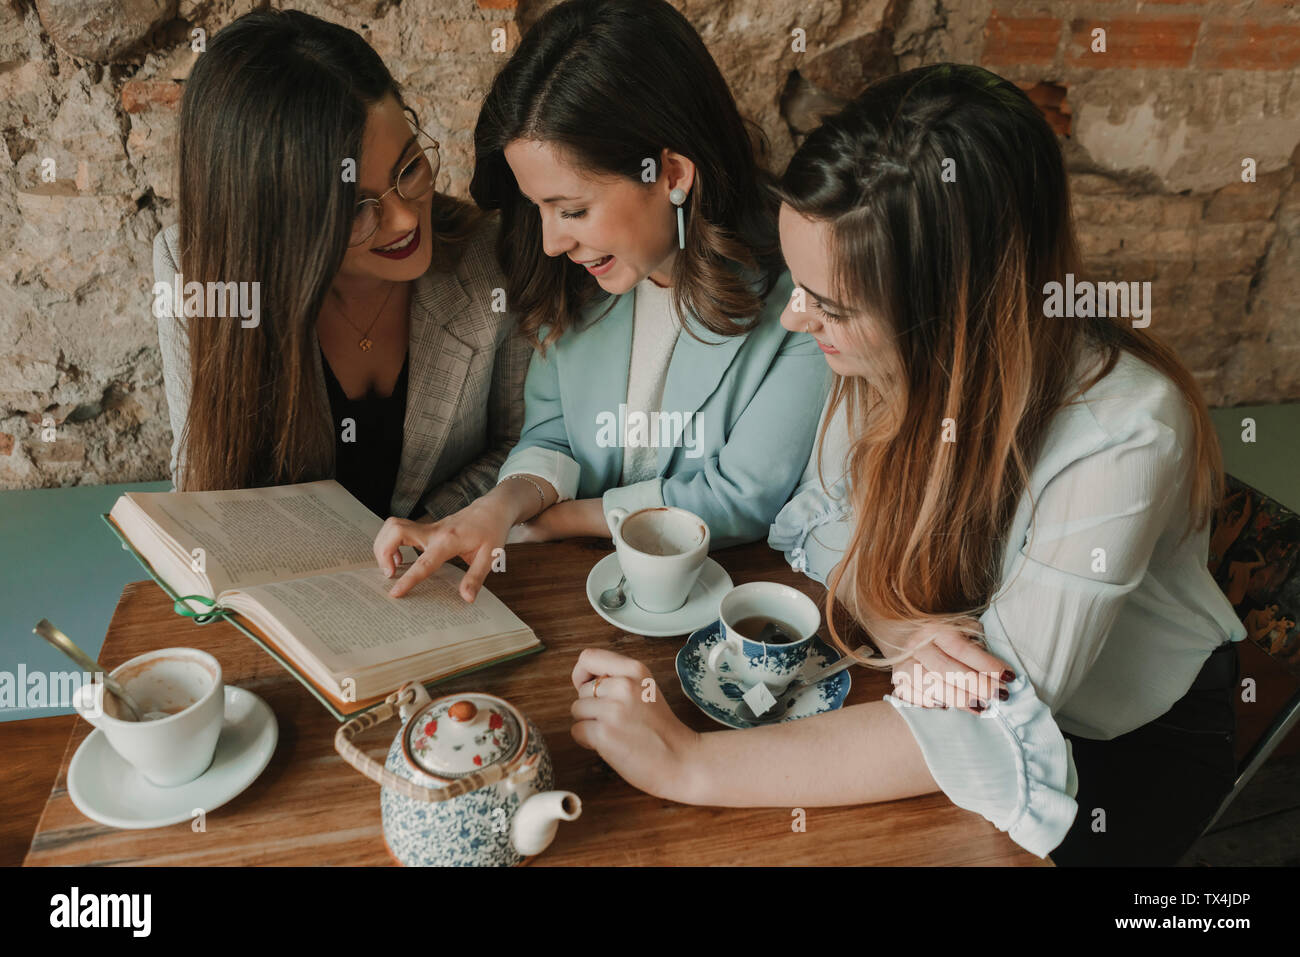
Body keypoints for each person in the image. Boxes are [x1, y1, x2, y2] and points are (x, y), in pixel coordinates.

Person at [562, 64, 1247, 867]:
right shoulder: (880, 352)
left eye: (832, 304)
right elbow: (814, 517)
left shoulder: (1127, 435)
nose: (794, 317)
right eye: (803, 286)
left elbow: (991, 720)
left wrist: (686, 763)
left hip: (1120, 747)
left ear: (948, 311)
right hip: (945, 682)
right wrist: (910, 628)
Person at [374, 0, 831, 601]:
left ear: (670, 173)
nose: (551, 241)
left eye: (572, 210)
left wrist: (553, 520)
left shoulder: (802, 289)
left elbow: (739, 499)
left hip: (719, 604)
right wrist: (501, 504)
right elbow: (554, 434)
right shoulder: (575, 277)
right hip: (585, 592)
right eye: (538, 207)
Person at [154, 9, 529, 520]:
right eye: (355, 208)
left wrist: (423, 533)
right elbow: (206, 487)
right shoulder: (194, 271)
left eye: (410, 168)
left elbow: (521, 444)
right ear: (269, 221)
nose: (402, 219)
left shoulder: (490, 260)